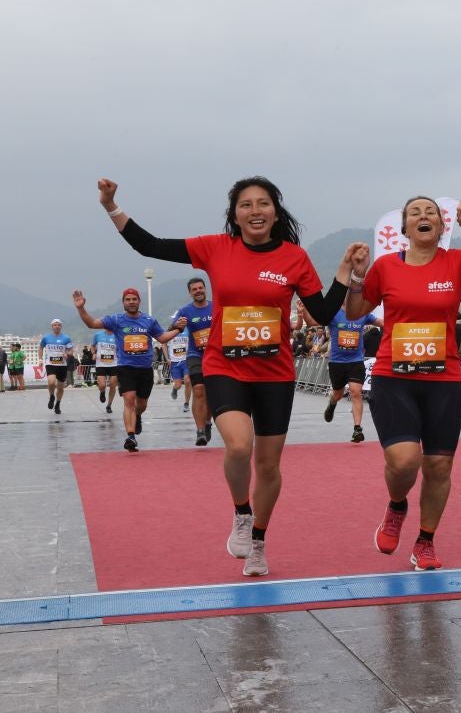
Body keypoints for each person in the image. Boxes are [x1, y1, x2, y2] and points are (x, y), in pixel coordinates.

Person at [97, 175, 353, 577]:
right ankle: (241, 512)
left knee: (268, 466)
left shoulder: (293, 258)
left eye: (263, 203)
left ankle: (259, 542)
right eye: (246, 204)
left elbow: (320, 314)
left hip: (274, 373)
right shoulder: (216, 248)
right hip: (224, 365)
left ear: (275, 211)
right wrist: (111, 205)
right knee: (238, 445)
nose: (255, 211)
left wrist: (343, 275)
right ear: (234, 215)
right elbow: (150, 245)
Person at [345, 196, 461, 571]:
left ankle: (425, 540)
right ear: (404, 229)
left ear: (441, 227)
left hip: (443, 379)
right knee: (404, 460)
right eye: (414, 214)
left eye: (431, 214)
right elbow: (354, 312)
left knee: (439, 467)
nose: (423, 217)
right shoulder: (386, 267)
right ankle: (396, 505)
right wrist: (358, 276)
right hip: (395, 377)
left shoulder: (457, 262)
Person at [72, 288, 182, 450]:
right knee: (129, 400)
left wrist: (178, 329)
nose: (131, 302)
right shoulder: (116, 320)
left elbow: (162, 337)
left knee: (142, 405)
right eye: (128, 299)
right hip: (125, 368)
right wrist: (81, 308)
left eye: (134, 299)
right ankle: (130, 436)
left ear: (139, 301)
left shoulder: (149, 320)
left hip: (145, 369)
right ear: (123, 302)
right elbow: (92, 323)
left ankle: (137, 416)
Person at [300, 302, 378, 443]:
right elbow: (311, 322)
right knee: (338, 394)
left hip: (356, 360)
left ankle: (357, 429)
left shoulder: (362, 312)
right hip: (337, 362)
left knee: (356, 392)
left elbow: (384, 322)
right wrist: (303, 311)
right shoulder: (333, 312)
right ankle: (332, 404)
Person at [170, 278, 215, 446]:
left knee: (211, 393)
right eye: (194, 289)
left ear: (205, 289)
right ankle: (200, 430)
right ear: (190, 293)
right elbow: (171, 328)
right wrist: (177, 325)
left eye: (200, 288)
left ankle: (208, 422)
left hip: (215, 355)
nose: (198, 291)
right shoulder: (185, 311)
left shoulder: (216, 306)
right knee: (198, 389)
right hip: (195, 354)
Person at [39, 319, 74, 415]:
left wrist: (67, 354)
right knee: (51, 382)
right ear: (52, 326)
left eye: (58, 325)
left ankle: (58, 404)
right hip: (50, 364)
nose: (57, 326)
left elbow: (71, 350)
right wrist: (40, 359)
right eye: (55, 325)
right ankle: (51, 396)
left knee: (60, 388)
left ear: (61, 326)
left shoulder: (66, 338)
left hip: (62, 365)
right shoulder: (46, 338)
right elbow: (41, 347)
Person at [92, 326, 119, 414]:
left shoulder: (117, 335)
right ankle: (102, 392)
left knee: (113, 385)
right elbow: (92, 346)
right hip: (101, 364)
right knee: (102, 385)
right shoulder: (98, 335)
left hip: (114, 364)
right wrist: (94, 353)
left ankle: (109, 405)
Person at [166, 330, 191, 412]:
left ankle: (186, 404)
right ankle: (175, 389)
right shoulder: (169, 332)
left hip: (185, 360)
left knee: (187, 381)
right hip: (174, 362)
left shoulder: (187, 331)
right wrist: (167, 358)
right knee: (178, 385)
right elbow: (163, 344)